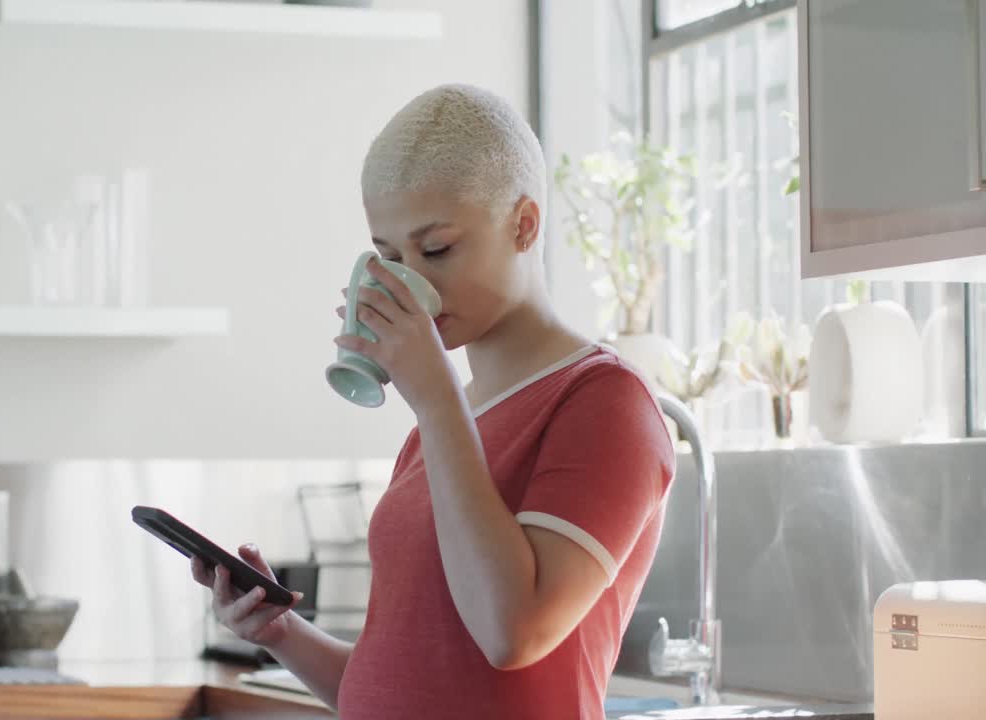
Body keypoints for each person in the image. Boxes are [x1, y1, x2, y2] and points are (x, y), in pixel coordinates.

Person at [190, 83, 675, 719]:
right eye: (389, 257)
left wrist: (437, 399)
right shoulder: (440, 426)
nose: (409, 281)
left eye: (436, 250)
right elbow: (399, 680)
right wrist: (279, 632)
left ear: (524, 225)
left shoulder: (605, 402)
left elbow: (513, 632)